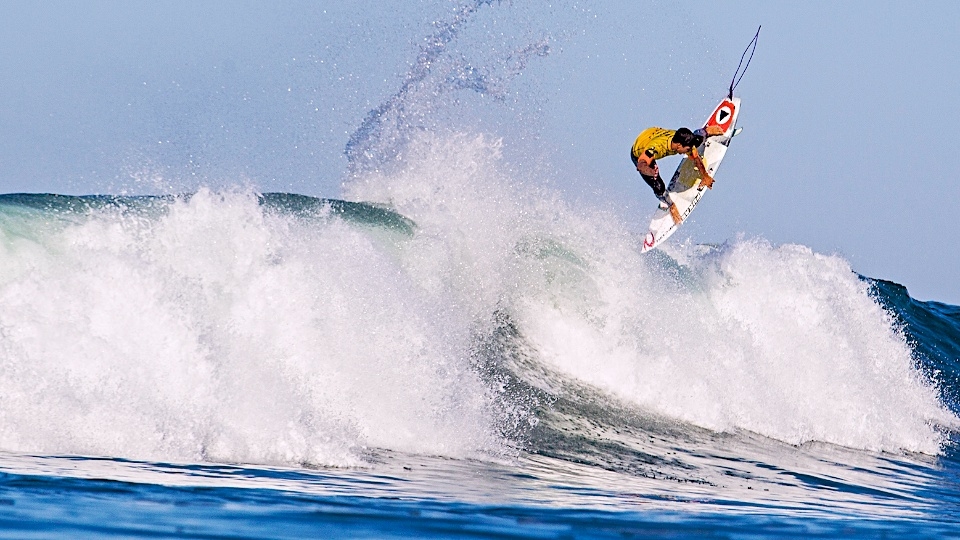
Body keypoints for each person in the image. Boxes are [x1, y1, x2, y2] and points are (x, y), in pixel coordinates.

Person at [631, 125, 723, 223]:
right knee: (658, 186)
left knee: (696, 141)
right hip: (639, 150)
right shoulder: (657, 148)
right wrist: (650, 171)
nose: (689, 151)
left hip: (654, 133)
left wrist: (705, 176)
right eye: (687, 149)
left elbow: (696, 159)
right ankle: (670, 205)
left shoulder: (682, 142)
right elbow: (641, 165)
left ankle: (706, 131)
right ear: (679, 146)